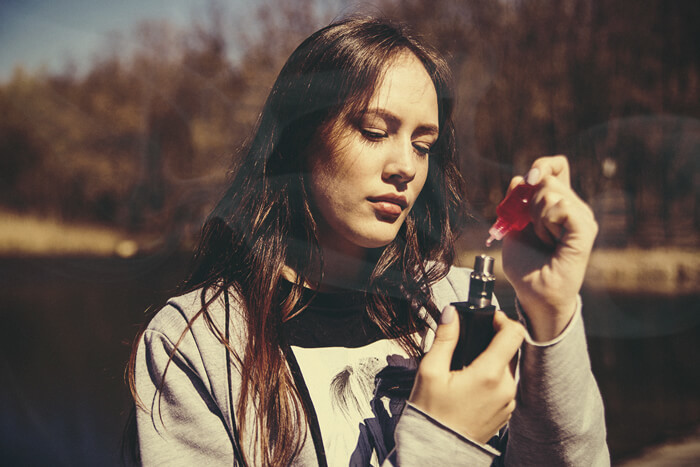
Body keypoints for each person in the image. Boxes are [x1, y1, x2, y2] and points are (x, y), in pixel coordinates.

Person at [127, 16, 609, 466]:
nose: (406, 167)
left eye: (423, 145)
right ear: (298, 137)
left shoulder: (454, 304)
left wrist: (550, 311)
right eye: (374, 132)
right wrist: (443, 443)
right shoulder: (197, 345)